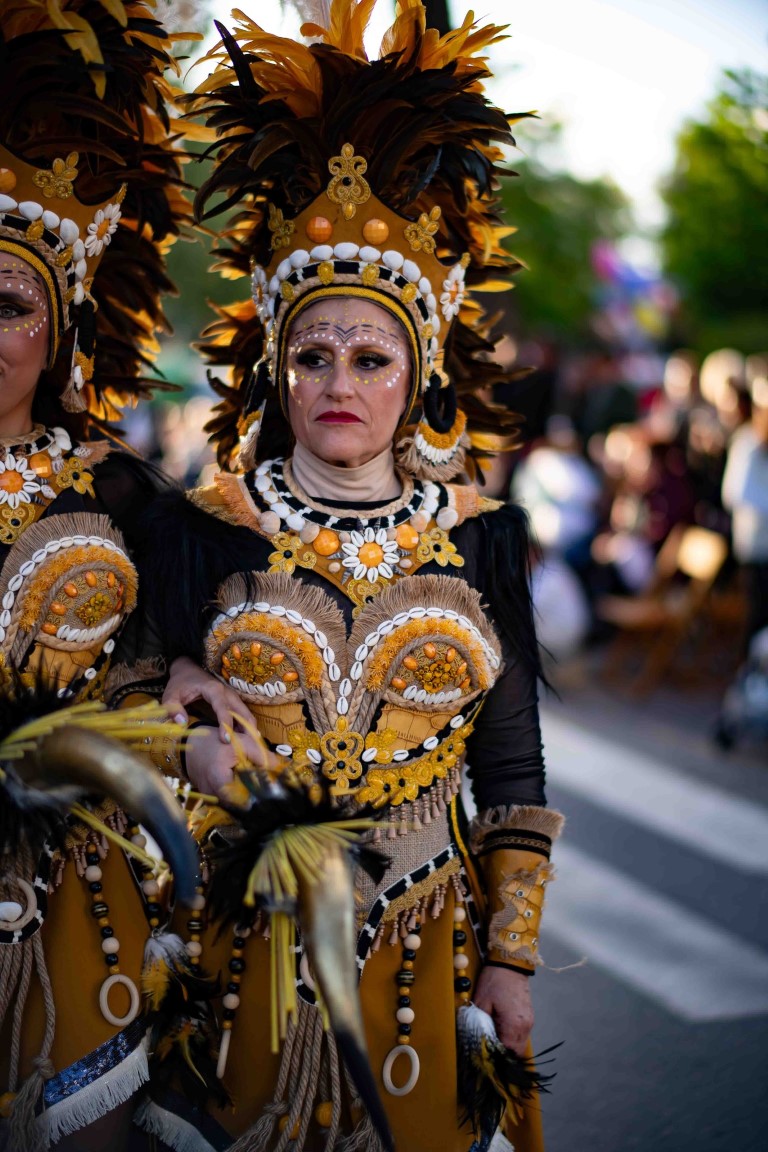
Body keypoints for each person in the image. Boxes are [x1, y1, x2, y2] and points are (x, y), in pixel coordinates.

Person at [131, 4, 564, 1150]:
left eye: (372, 358)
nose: (339, 383)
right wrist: (175, 695)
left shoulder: (482, 537)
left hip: (425, 960)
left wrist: (511, 963)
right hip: (239, 961)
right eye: (313, 355)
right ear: (277, 369)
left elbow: (511, 771)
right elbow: (128, 720)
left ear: (417, 375)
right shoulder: (200, 529)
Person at [0, 6, 208, 1148]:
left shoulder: (120, 493)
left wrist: (182, 678)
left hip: (77, 898)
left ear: (62, 325)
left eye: (8, 304)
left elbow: (180, 651)